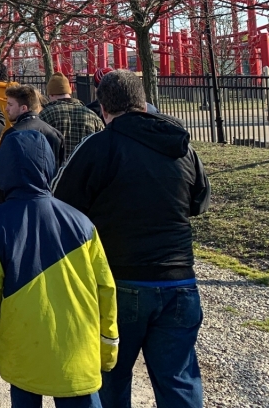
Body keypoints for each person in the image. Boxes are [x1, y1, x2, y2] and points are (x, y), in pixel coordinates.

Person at [53, 70, 211, 408]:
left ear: (103, 107)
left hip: (120, 279)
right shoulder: (180, 144)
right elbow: (199, 200)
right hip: (179, 279)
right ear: (143, 100)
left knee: (111, 376)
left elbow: (61, 206)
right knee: (179, 380)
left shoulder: (99, 146)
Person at [0, 131, 118, 408]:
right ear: (49, 166)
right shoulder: (82, 223)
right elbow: (106, 290)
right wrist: (107, 349)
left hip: (23, 356)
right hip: (78, 353)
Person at [0, 85, 65, 167]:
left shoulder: (12, 134)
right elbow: (60, 170)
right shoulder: (55, 134)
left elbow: (4, 169)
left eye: (10, 105)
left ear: (23, 108)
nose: (6, 109)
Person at [38, 73, 105, 153]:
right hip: (87, 164)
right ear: (69, 93)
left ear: (51, 94)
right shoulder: (92, 116)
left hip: (57, 164)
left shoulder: (45, 114)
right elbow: (103, 144)